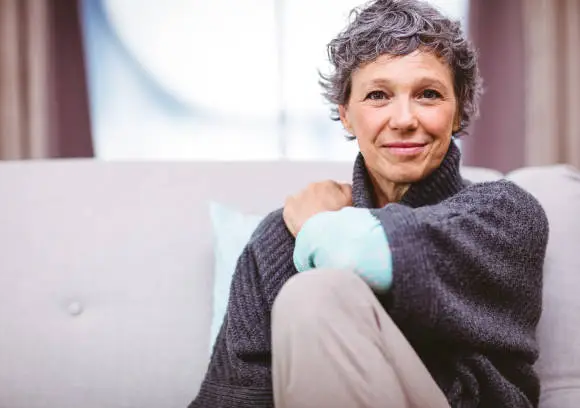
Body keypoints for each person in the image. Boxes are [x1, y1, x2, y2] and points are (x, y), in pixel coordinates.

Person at [189, 0, 549, 407]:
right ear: (345, 114)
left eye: (428, 94)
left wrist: (318, 225)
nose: (403, 119)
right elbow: (233, 397)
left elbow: (352, 254)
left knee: (314, 294)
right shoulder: (277, 237)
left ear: (457, 109)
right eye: (378, 95)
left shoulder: (503, 216)